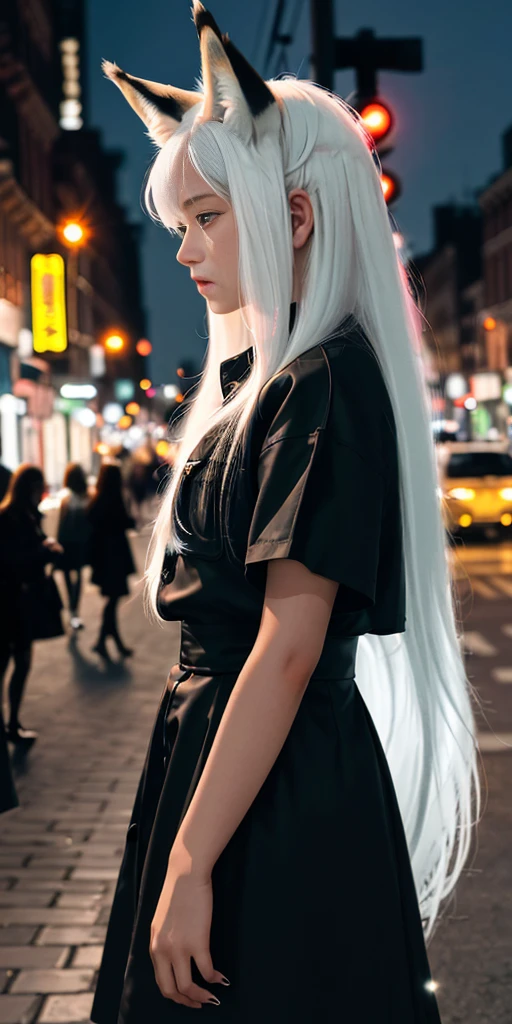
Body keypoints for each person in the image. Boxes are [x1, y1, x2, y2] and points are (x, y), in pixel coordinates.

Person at [91, 5, 481, 1022]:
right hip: (238, 766)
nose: (184, 253)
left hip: (274, 786)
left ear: (294, 215)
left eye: (205, 218)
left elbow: (287, 647)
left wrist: (188, 860)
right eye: (180, 225)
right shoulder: (278, 383)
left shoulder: (321, 382)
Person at [0, 465, 63, 746]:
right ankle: (9, 724)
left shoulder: (25, 515)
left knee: (20, 661)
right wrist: (44, 551)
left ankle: (11, 722)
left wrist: (46, 545)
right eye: (39, 488)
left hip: (20, 600)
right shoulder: (9, 517)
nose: (42, 494)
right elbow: (14, 558)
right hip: (10, 599)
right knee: (11, 660)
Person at [88, 462, 136, 661]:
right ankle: (108, 641)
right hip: (114, 556)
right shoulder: (114, 500)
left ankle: (105, 641)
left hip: (104, 557)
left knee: (112, 600)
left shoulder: (97, 500)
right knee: (112, 600)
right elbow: (124, 522)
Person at [57, 463, 92, 631]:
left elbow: (61, 523)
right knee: (78, 575)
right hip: (80, 542)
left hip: (66, 542)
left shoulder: (66, 497)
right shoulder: (87, 496)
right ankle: (74, 609)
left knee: (66, 574)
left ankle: (71, 607)